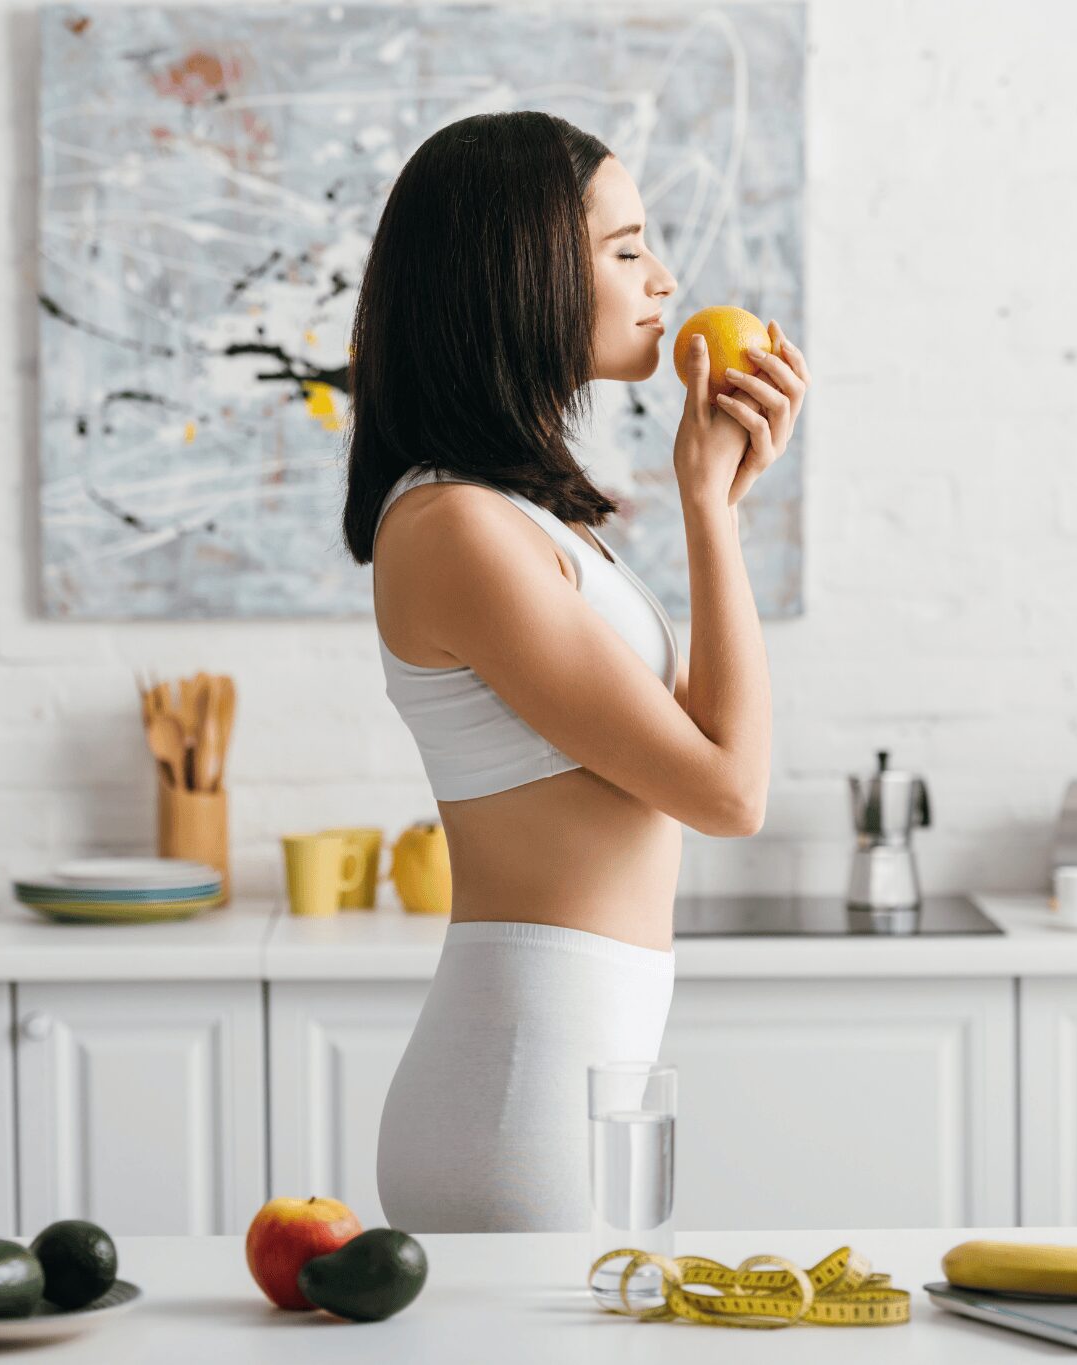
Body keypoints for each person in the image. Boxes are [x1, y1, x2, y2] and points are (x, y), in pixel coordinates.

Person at [341, 111, 803, 1232]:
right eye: (626, 248)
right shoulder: (456, 528)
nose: (664, 279)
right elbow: (730, 793)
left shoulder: (520, 517)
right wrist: (706, 511)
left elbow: (697, 749)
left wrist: (713, 505)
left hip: (566, 1075)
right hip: (517, 1104)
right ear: (522, 273)